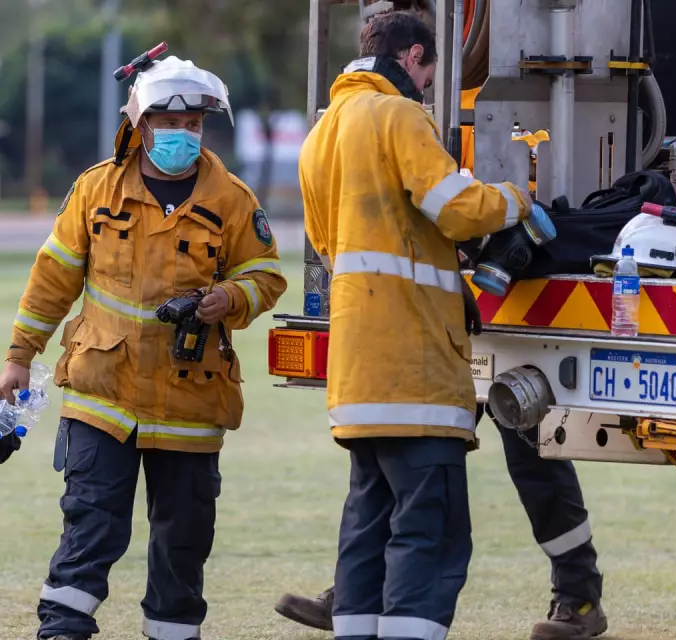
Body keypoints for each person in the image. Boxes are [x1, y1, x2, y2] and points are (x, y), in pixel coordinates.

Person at [275, 16, 607, 640]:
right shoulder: (400, 116)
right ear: (416, 55)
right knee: (436, 520)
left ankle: (353, 605)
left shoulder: (321, 132)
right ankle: (576, 593)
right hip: (421, 353)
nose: (430, 87)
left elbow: (334, 242)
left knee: (373, 505)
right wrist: (516, 199)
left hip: (361, 364)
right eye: (429, 72)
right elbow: (455, 206)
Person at [0, 55, 287, 640]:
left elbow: (267, 277)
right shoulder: (96, 189)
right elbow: (53, 278)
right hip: (102, 397)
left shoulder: (232, 200)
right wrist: (18, 355)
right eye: (166, 120)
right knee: (90, 528)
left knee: (183, 544)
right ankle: (61, 630)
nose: (182, 134)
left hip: (190, 404)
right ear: (139, 122)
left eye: (194, 125)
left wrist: (227, 299)